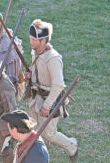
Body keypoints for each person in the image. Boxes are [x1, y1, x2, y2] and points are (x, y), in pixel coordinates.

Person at [25, 19, 78, 163]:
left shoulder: (53, 58)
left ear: (44, 41)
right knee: (31, 127)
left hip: (50, 99)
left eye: (34, 40)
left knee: (49, 134)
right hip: (36, 97)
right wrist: (30, 75)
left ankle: (71, 145)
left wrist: (47, 105)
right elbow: (38, 71)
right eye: (31, 39)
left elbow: (58, 85)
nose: (31, 42)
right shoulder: (36, 51)